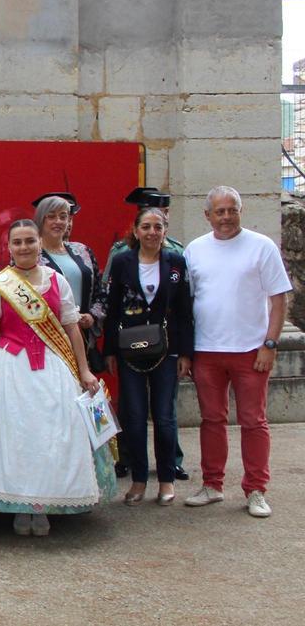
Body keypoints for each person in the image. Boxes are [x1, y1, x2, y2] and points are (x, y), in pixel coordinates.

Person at [0, 219, 116, 536]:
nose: (24, 247)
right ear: (9, 247)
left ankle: (46, 506)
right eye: (17, 242)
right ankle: (20, 506)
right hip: (12, 369)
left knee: (54, 433)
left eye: (29, 241)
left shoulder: (57, 280)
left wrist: (83, 370)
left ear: (40, 243)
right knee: (17, 436)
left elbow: (71, 327)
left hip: (53, 367)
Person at [183, 186, 291, 518]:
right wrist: (187, 353)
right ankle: (212, 485)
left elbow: (279, 300)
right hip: (207, 349)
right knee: (211, 420)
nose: (226, 217)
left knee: (253, 421)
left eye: (233, 210)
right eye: (220, 211)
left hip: (250, 350)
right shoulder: (194, 250)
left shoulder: (262, 246)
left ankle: (256, 489)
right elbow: (187, 303)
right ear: (208, 215)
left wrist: (270, 344)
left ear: (241, 211)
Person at [103, 207, 194, 507]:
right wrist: (110, 351)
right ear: (136, 230)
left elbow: (184, 312)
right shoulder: (122, 262)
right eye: (146, 226)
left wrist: (186, 354)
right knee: (134, 416)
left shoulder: (176, 263)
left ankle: (166, 479)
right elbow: (112, 309)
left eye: (158, 227)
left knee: (165, 417)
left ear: (165, 230)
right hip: (130, 350)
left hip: (166, 350)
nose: (152, 232)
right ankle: (139, 480)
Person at [34, 193, 106, 373]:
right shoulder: (30, 254)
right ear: (40, 220)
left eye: (63, 216)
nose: (58, 221)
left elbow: (100, 293)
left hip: (82, 338)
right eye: (51, 216)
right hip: (48, 341)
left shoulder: (83, 251)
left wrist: (92, 316)